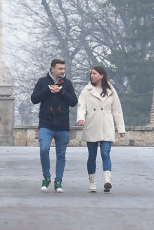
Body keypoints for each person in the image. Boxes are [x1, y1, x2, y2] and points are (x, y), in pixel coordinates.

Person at [30, 58, 78, 193]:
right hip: (46, 124)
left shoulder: (67, 84)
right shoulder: (42, 82)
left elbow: (74, 101)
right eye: (60, 69)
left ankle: (58, 181)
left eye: (64, 69)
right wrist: (47, 90)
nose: (63, 71)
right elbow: (34, 99)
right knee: (44, 149)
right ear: (52, 69)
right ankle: (46, 177)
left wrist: (61, 91)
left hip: (62, 125)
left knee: (61, 154)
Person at [76, 65, 126, 193]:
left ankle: (107, 180)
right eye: (91, 73)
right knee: (92, 155)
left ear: (102, 75)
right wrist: (81, 118)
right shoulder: (86, 90)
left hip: (106, 125)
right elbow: (81, 106)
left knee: (105, 153)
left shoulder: (111, 90)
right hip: (92, 125)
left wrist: (121, 129)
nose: (92, 75)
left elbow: (117, 110)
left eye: (94, 73)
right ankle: (92, 182)